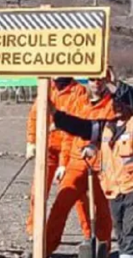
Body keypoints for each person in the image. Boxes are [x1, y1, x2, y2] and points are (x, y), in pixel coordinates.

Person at [51, 68, 133, 258]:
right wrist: (56, 116)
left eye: (121, 101)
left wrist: (115, 84)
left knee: (131, 235)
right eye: (115, 102)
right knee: (122, 236)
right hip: (115, 190)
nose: (117, 105)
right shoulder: (107, 127)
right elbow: (82, 127)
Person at [43, 76, 116, 258]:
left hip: (101, 164)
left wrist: (95, 146)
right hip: (76, 162)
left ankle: (101, 252)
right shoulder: (80, 101)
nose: (96, 83)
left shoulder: (113, 104)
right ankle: (46, 249)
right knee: (61, 203)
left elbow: (112, 133)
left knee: (102, 210)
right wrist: (63, 163)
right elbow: (69, 134)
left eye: (100, 80)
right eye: (92, 79)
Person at [24, 77, 89, 240]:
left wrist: (64, 163)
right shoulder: (47, 87)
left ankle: (89, 233)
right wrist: (31, 142)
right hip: (47, 145)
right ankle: (34, 230)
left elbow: (72, 128)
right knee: (38, 190)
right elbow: (34, 115)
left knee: (76, 191)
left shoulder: (78, 91)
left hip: (70, 146)